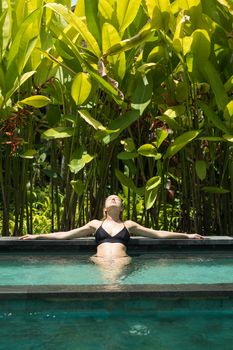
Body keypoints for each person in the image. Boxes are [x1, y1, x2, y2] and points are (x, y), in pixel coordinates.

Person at [20, 194, 204, 259]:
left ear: (121, 208)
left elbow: (157, 234)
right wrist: (36, 236)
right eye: (111, 198)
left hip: (122, 261)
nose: (114, 198)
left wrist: (187, 236)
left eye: (117, 198)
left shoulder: (129, 225)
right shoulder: (95, 224)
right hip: (99, 261)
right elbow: (66, 235)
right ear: (105, 208)